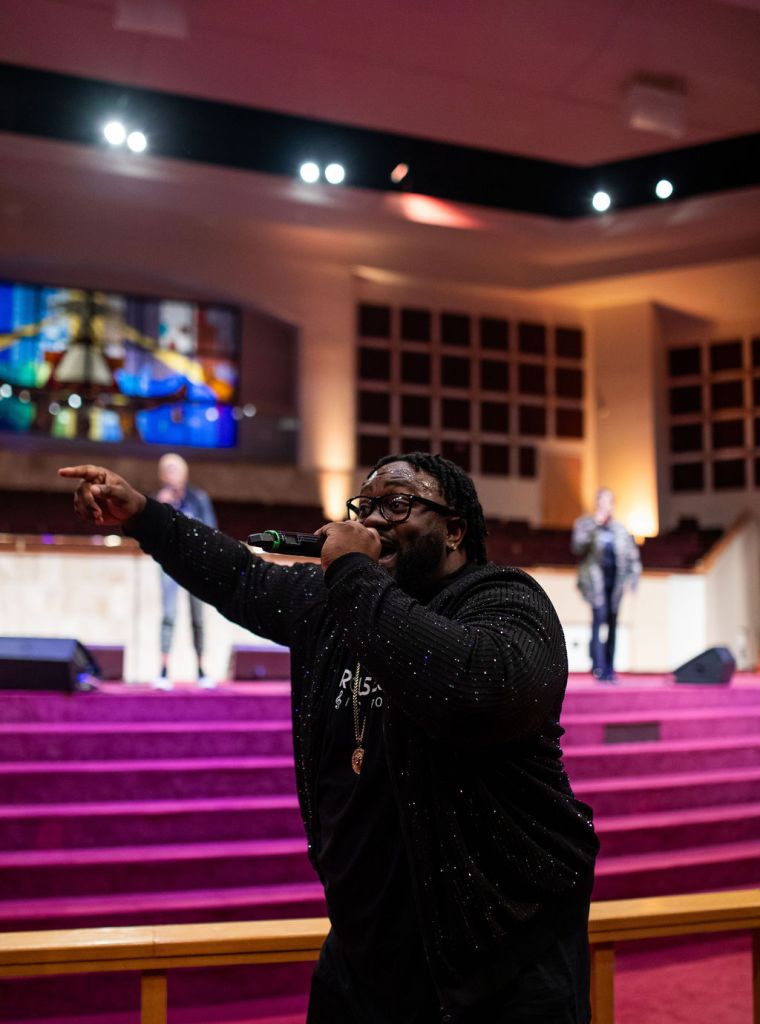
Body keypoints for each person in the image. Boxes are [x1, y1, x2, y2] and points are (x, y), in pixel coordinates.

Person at [59, 452, 599, 1024]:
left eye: (397, 505)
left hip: (497, 957)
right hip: (364, 954)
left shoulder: (505, 601)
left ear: (455, 530)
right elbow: (240, 575)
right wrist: (143, 515)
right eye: (363, 508)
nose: (371, 522)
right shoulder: (336, 603)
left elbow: (473, 690)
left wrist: (351, 572)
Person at [153, 452, 217, 689]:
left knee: (198, 618)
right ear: (161, 475)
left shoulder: (198, 499)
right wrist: (160, 507)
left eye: (176, 469)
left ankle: (201, 670)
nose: (172, 473)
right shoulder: (157, 500)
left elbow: (211, 531)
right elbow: (148, 532)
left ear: (185, 472)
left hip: (195, 565)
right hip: (168, 565)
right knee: (168, 616)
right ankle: (163, 670)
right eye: (167, 469)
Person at [571, 488, 641, 683]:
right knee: (598, 619)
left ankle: (610, 667)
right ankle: (598, 666)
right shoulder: (586, 524)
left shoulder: (620, 529)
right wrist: (595, 526)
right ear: (596, 504)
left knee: (612, 622)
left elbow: (632, 557)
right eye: (602, 502)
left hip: (615, 584)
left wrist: (633, 580)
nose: (605, 506)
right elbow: (577, 547)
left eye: (609, 502)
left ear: (613, 505)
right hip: (595, 584)